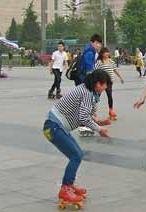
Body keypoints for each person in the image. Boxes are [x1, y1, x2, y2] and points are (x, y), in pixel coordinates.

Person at [42, 70, 112, 206]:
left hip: (56, 127)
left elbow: (86, 115)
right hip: (54, 127)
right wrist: (99, 130)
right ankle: (65, 189)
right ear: (98, 84)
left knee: (78, 154)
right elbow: (84, 118)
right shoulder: (86, 92)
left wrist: (99, 123)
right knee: (76, 156)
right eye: (105, 85)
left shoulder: (89, 91)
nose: (106, 88)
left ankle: (70, 185)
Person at [95, 48, 124, 120]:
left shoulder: (111, 61)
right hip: (101, 82)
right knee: (97, 97)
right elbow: (95, 71)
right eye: (105, 53)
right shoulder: (99, 62)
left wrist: (120, 78)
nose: (107, 54)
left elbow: (115, 70)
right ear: (102, 54)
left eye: (107, 52)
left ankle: (111, 111)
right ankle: (92, 111)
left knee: (109, 96)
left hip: (109, 82)